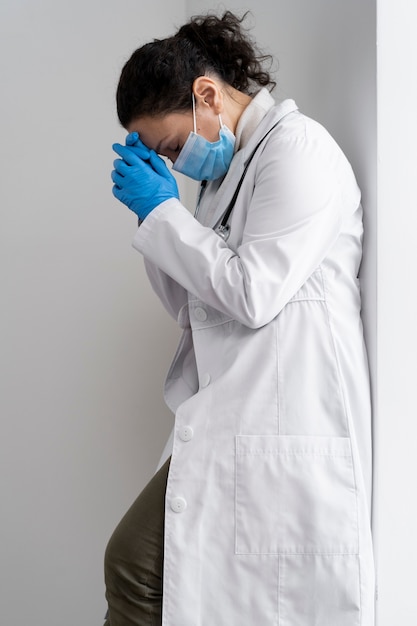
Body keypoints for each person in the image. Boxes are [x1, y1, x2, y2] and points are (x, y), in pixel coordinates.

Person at [106, 10, 375, 626]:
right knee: (135, 567)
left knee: (133, 565)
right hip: (237, 419)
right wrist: (155, 218)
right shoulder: (225, 181)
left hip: (286, 421)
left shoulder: (298, 150)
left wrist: (164, 217)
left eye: (172, 146)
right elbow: (194, 309)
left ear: (206, 94)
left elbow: (253, 293)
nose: (176, 164)